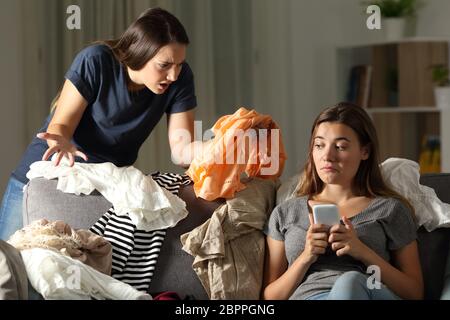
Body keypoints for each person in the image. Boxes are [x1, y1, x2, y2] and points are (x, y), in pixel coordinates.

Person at [0, 7, 203, 240]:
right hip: (41, 180)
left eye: (179, 64)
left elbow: (182, 151)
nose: (174, 75)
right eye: (164, 65)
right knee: (8, 266)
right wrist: (61, 139)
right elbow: (61, 126)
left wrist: (215, 148)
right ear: (141, 52)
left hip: (100, 189)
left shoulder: (179, 80)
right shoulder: (96, 60)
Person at [262, 102, 423, 300]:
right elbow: (270, 297)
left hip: (368, 292)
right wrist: (306, 256)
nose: (327, 156)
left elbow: (415, 293)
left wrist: (362, 251)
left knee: (350, 282)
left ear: (365, 151)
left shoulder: (390, 209)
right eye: (319, 145)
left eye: (340, 146)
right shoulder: (285, 213)